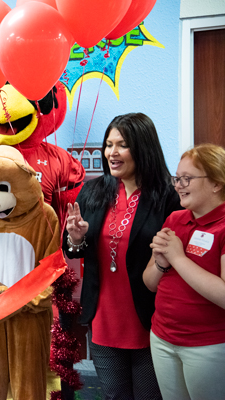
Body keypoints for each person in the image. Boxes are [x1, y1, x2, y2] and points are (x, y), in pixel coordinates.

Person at [64, 113, 181, 399]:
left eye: (122, 145)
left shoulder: (168, 195)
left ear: (143, 148)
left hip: (148, 315)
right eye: (108, 145)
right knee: (114, 394)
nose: (111, 153)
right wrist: (75, 238)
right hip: (103, 315)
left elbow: (176, 256)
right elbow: (72, 249)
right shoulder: (92, 191)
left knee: (148, 395)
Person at [143, 143, 225, 400]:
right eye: (177, 178)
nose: (178, 185)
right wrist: (160, 263)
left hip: (207, 345)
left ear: (216, 183)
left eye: (187, 178)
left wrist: (178, 258)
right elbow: (150, 283)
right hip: (162, 338)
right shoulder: (175, 219)